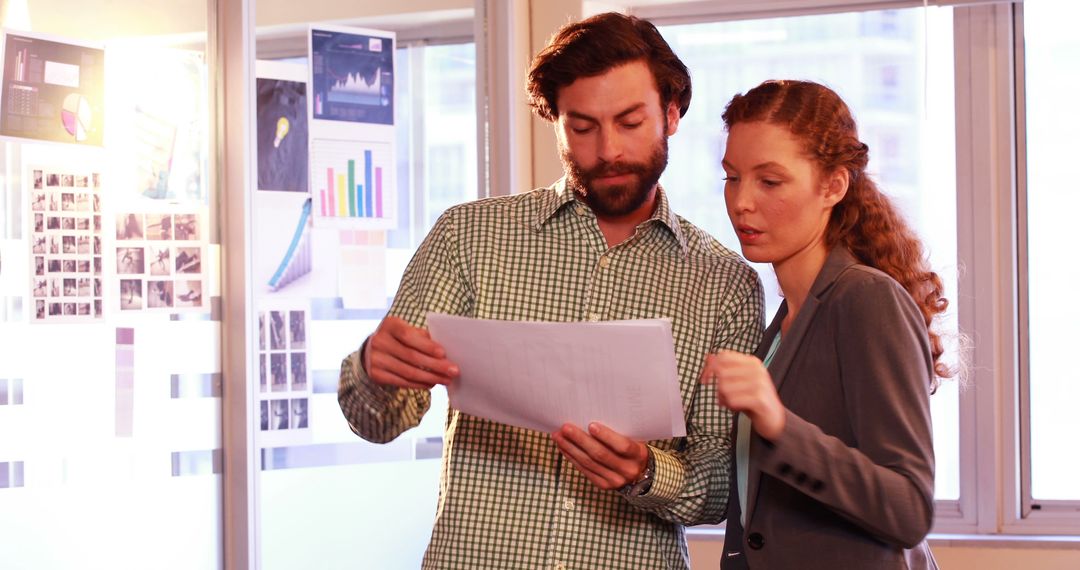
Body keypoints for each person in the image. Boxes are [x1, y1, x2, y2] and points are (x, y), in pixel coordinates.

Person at [337, 12, 764, 570]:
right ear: (555, 121)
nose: (607, 149)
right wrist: (372, 368)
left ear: (672, 113)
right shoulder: (469, 237)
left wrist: (645, 472)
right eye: (581, 127)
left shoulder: (726, 284)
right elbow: (379, 422)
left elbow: (722, 487)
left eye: (630, 122)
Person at [701, 80, 945, 569]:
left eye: (769, 182)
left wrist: (778, 423)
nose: (742, 202)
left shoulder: (865, 299)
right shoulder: (785, 319)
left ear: (833, 186)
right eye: (732, 177)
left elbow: (909, 509)